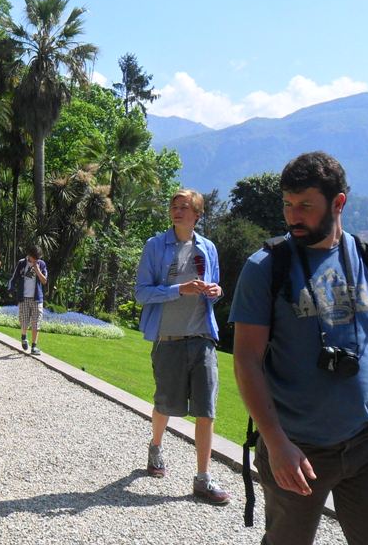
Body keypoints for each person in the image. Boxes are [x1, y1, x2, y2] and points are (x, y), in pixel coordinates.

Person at [230, 151, 368, 544]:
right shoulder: (265, 267)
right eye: (288, 204)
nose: (293, 216)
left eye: (306, 205)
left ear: (338, 203)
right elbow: (247, 361)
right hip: (296, 446)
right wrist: (275, 443)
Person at [134, 188, 229, 506]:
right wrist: (179, 289)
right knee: (165, 404)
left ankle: (202, 479)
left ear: (197, 215)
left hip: (202, 338)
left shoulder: (208, 248)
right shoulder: (155, 246)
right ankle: (156, 447)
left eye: (184, 207)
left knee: (207, 410)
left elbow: (212, 289)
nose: (177, 210)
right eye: (174, 205)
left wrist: (214, 291)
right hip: (168, 339)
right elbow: (142, 293)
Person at [7, 245, 48, 355]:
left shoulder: (41, 264)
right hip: (23, 297)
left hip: (37, 298)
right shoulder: (21, 263)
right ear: (29, 255)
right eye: (35, 257)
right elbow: (14, 277)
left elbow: (44, 281)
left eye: (38, 258)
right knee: (24, 321)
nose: (36, 259)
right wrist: (10, 289)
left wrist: (38, 270)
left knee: (36, 322)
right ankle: (24, 337)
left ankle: (34, 346)